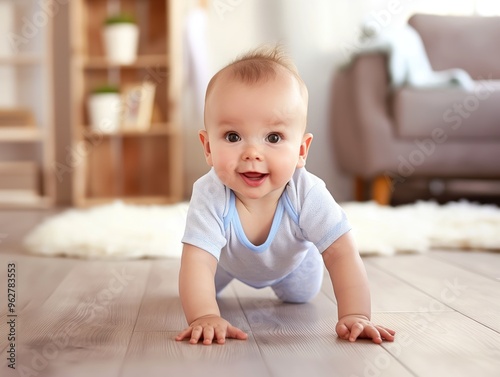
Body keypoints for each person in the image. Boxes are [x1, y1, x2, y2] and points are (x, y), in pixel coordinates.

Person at [176, 46, 395, 345]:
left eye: (273, 138)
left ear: (301, 151)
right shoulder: (209, 193)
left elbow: (341, 253)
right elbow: (198, 261)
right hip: (224, 262)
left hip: (293, 267)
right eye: (233, 137)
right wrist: (204, 316)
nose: (252, 153)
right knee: (199, 288)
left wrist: (356, 314)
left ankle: (297, 280)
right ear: (208, 147)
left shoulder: (307, 193)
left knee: (301, 297)